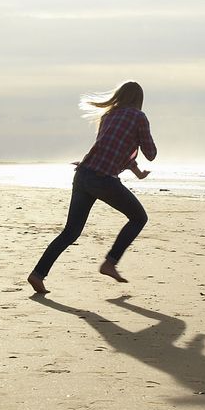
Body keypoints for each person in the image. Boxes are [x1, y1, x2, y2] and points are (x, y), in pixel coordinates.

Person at [27, 81, 157, 295]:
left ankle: (38, 274)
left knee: (70, 232)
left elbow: (112, 148)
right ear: (139, 100)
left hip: (83, 175)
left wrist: (137, 172)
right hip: (103, 179)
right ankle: (110, 262)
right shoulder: (138, 117)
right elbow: (151, 153)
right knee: (138, 218)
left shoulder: (109, 116)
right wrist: (145, 142)